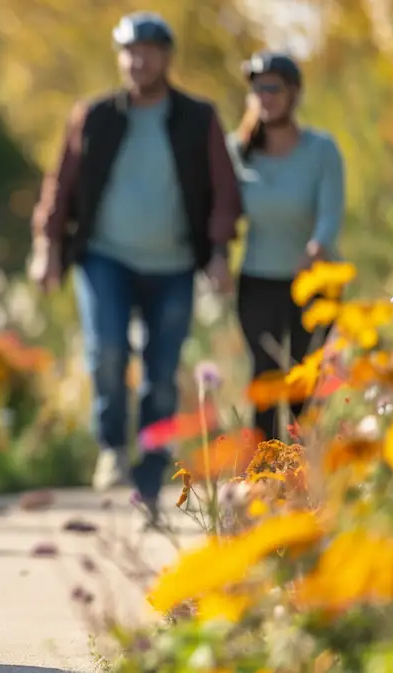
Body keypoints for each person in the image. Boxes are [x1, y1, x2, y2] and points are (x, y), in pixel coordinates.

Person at [28, 11, 243, 525]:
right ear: (120, 57)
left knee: (162, 376)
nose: (137, 59)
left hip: (173, 265)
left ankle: (149, 479)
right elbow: (61, 184)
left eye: (147, 49)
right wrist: (47, 246)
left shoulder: (198, 117)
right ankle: (111, 448)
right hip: (106, 258)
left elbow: (224, 191)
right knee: (107, 352)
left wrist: (217, 251)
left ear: (166, 57)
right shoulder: (95, 114)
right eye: (128, 50)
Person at [230, 52, 344, 441]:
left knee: (304, 383)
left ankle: (304, 478)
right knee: (265, 377)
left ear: (293, 93)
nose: (265, 96)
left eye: (273, 87)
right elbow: (222, 212)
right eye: (258, 88)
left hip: (312, 281)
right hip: (258, 279)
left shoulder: (321, 149)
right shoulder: (238, 152)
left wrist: (316, 247)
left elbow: (330, 213)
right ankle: (262, 478)